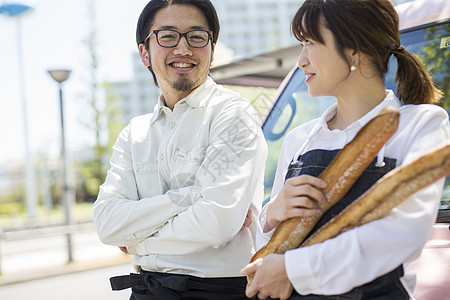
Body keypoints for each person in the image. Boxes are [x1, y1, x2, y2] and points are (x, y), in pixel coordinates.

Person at [241, 0, 449, 299]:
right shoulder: (299, 140)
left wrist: (292, 270)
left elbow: (403, 235)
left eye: (310, 42)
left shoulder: (420, 124)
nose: (300, 61)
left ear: (354, 49)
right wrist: (272, 215)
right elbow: (270, 248)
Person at [93, 0, 267, 299]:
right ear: (145, 52)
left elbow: (215, 225)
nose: (183, 48)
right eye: (168, 36)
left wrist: (137, 242)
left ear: (212, 50)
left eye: (197, 37)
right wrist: (187, 197)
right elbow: (108, 224)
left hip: (218, 292)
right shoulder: (134, 133)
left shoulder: (232, 115)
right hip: (146, 291)